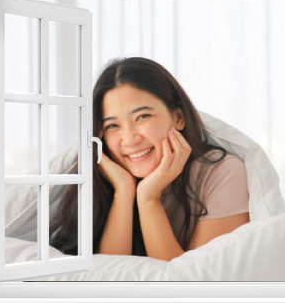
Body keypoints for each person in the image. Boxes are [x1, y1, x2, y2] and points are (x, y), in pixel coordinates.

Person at [50, 57, 249, 261]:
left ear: (178, 117)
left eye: (142, 117)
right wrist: (124, 190)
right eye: (112, 125)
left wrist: (148, 198)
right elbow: (108, 277)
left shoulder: (222, 173)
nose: (129, 139)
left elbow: (189, 285)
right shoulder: (108, 177)